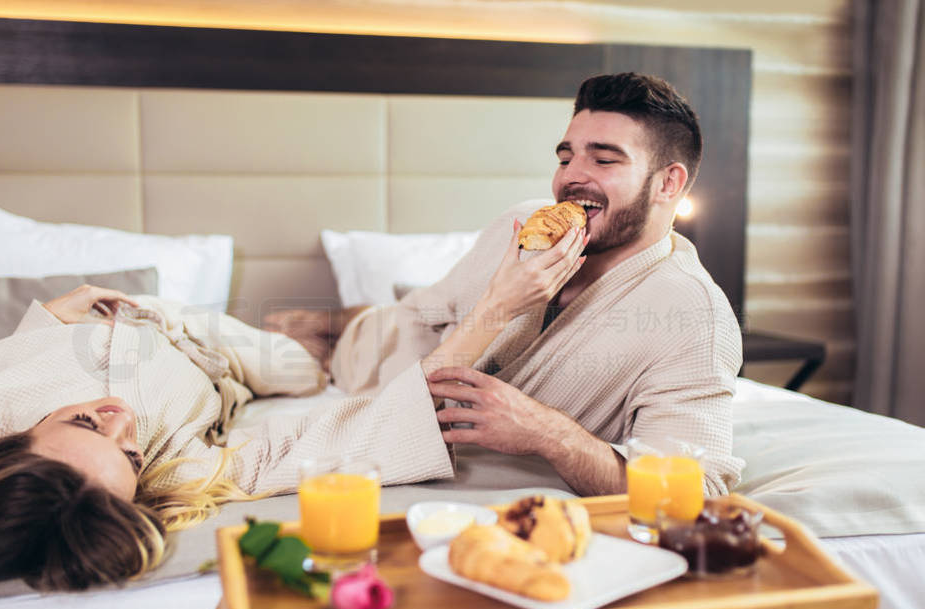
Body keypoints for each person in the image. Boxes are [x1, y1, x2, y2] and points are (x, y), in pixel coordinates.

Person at [0, 201, 586, 591]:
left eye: (87, 420)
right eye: (131, 453)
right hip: (217, 366)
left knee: (302, 357)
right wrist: (494, 313)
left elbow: (18, 352)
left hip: (164, 317)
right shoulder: (181, 475)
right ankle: (321, 333)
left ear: (9, 444)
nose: (124, 420)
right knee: (306, 375)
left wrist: (56, 309)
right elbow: (341, 438)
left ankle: (319, 328)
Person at [265, 72, 744, 498]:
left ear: (668, 184)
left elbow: (693, 489)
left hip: (422, 380)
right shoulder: (520, 224)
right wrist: (400, 401)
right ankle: (338, 325)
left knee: (351, 338)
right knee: (363, 333)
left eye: (604, 160)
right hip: (401, 351)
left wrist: (548, 433)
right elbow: (423, 312)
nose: (572, 177)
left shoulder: (695, 319)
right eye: (566, 157)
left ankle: (337, 331)